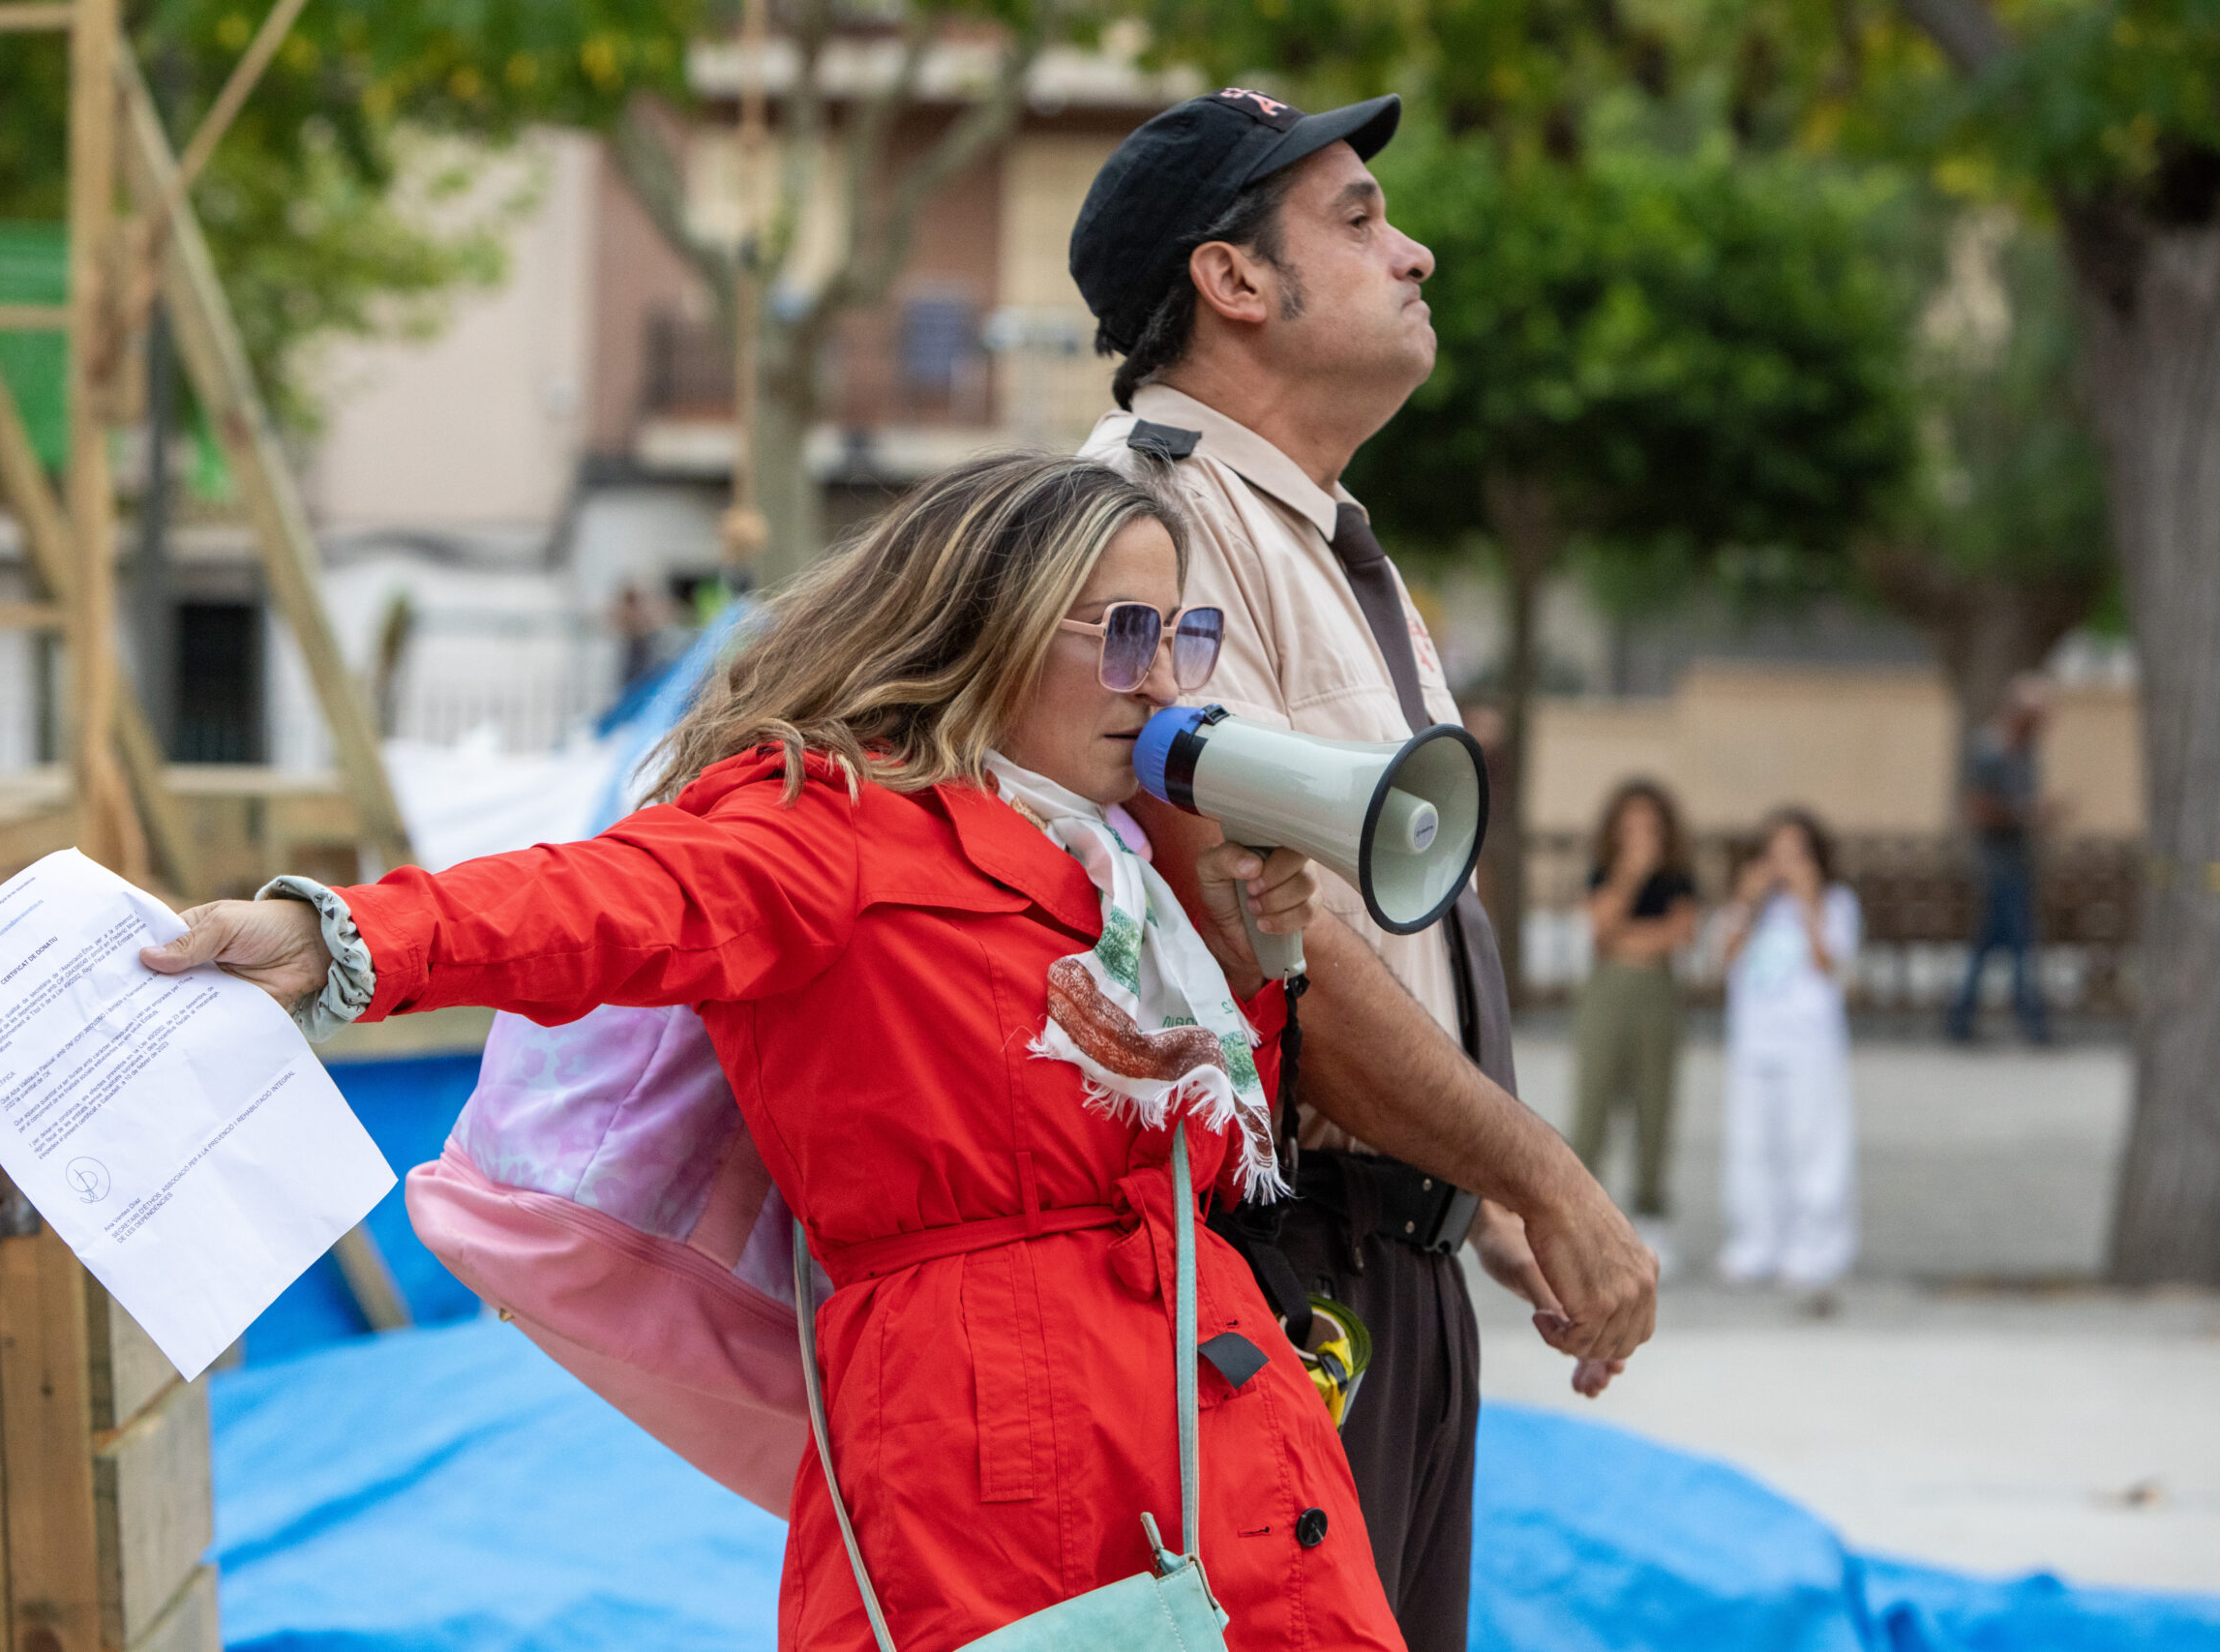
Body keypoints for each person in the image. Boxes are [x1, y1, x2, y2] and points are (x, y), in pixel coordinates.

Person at [145, 454, 1413, 1651]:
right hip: (1005, 1449)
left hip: (1212, 1424)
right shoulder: (831, 826)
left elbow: (1168, 1140)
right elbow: (598, 899)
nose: (1165, 681)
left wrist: (1251, 965)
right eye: (1126, 632)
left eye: (1185, 637)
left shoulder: (1111, 859)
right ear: (990, 626)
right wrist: (338, 933)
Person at [1069, 88, 1657, 1648]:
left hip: (1375, 1259)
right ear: (1233, 283)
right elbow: (1278, 946)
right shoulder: (1149, 522)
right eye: (1359, 219)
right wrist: (1540, 1168)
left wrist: (1468, 1194)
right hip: (1276, 1274)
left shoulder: (1305, 533)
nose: (1420, 252)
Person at [1716, 807, 1861, 1291]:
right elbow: (1725, 957)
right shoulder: (1752, 907)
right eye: (1775, 854)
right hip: (1755, 1044)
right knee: (1754, 1145)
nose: (1784, 865)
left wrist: (1809, 904)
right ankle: (1757, 1240)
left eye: (1796, 854)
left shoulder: (1837, 904)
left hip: (1810, 1048)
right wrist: (1745, 901)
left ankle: (1817, 1244)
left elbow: (1830, 965)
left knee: (1812, 1146)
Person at [1572, 781, 1699, 1272]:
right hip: (1606, 994)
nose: (1639, 833)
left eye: (1649, 824)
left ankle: (1651, 1216)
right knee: (1593, 1102)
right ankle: (1584, 1225)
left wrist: (1627, 939)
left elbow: (1677, 935)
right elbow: (1599, 928)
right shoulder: (1607, 873)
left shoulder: (1678, 878)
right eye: (1630, 823)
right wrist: (1629, 876)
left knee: (1655, 1103)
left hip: (1657, 996)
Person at [1947, 674, 2054, 1044]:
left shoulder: (2025, 753)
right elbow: (1975, 808)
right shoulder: (1989, 750)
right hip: (1994, 864)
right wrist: (2021, 814)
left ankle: (1961, 1018)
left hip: (2017, 862)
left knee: (1991, 945)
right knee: (2019, 945)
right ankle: (2032, 1021)